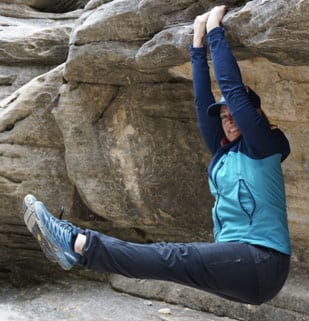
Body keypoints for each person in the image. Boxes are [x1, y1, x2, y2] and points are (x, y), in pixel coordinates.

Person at [22, 5, 291, 305]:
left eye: (235, 114)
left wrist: (216, 31)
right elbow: (203, 107)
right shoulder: (225, 152)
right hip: (240, 266)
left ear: (253, 116)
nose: (228, 119)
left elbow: (233, 89)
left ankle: (75, 242)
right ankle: (76, 249)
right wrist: (197, 47)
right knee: (168, 262)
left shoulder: (262, 146)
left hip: (262, 261)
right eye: (224, 115)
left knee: (171, 256)